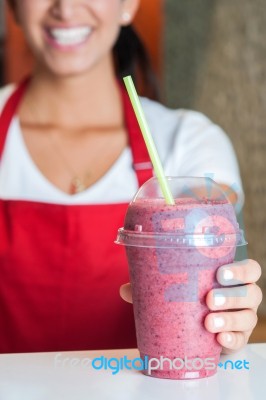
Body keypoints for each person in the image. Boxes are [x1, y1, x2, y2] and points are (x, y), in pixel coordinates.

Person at [0, 0, 262, 355]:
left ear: (128, 5)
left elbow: (223, 284)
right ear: (12, 7)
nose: (64, 7)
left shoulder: (189, 143)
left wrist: (227, 322)